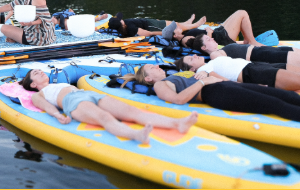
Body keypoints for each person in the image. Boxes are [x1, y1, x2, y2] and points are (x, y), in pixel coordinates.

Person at [20, 69, 198, 144]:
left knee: (131, 111)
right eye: (35, 73)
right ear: (33, 84)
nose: (40, 72)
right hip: (72, 103)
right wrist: (57, 116)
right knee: (104, 117)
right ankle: (135, 135)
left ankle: (177, 123)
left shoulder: (62, 83)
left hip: (87, 94)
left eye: (39, 70)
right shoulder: (38, 94)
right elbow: (44, 106)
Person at [121, 64, 300, 122]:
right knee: (275, 104)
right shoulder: (160, 85)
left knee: (284, 95)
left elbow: (206, 77)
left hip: (226, 86)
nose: (158, 67)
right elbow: (178, 99)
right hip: (216, 93)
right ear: (148, 79)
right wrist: (202, 81)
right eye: (152, 68)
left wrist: (205, 74)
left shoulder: (176, 74)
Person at [174, 54, 300, 91]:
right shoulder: (202, 70)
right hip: (251, 73)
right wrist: (253, 88)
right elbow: (224, 81)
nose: (195, 55)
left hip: (257, 66)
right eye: (191, 59)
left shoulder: (210, 62)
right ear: (191, 69)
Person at [185, 34, 300, 71]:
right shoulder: (214, 54)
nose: (212, 38)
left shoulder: (220, 48)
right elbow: (227, 65)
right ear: (204, 48)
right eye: (208, 39)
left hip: (265, 51)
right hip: (261, 55)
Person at [162, 10, 264, 47]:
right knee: (242, 13)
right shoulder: (185, 40)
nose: (177, 25)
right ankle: (251, 41)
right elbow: (203, 45)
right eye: (174, 28)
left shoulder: (185, 34)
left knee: (237, 14)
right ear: (175, 35)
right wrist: (209, 32)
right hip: (221, 38)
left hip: (218, 33)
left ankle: (247, 40)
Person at [107, 12, 206, 37]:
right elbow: (149, 33)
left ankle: (187, 23)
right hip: (151, 26)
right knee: (175, 26)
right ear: (121, 25)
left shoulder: (124, 25)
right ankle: (195, 25)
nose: (122, 19)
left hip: (149, 21)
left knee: (174, 23)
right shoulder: (131, 29)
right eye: (120, 20)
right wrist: (167, 32)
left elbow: (119, 15)